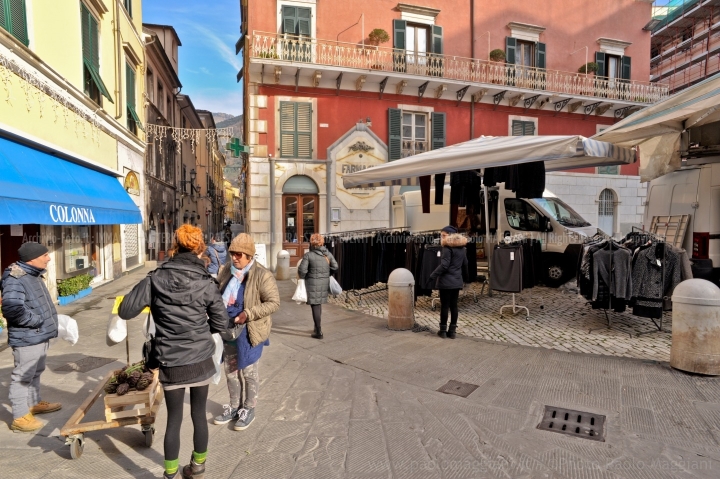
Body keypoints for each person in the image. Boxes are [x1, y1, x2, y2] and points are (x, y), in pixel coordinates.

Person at [119, 225, 230, 479]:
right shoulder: (205, 282)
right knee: (199, 414)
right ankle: (197, 467)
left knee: (174, 419)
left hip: (170, 360)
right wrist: (201, 328)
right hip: (201, 357)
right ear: (200, 249)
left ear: (174, 246)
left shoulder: (155, 278)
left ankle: (170, 474)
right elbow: (221, 324)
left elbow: (126, 310)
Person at [213, 233, 279, 431]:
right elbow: (216, 293)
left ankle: (248, 408)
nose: (235, 257)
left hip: (250, 331)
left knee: (249, 372)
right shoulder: (226, 271)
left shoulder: (262, 275)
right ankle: (234, 407)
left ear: (250, 256)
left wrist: (247, 313)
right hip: (229, 330)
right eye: (233, 253)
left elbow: (273, 303)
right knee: (231, 372)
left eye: (239, 255)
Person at [0, 242, 61, 432]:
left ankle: (33, 403)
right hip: (28, 336)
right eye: (45, 255)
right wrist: (36, 321)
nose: (49, 258)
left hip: (38, 334)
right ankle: (19, 417)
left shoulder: (32, 274)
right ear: (32, 258)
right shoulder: (15, 278)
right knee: (23, 376)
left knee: (36, 370)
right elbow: (12, 308)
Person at [429, 226, 469, 339]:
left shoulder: (447, 248)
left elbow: (444, 265)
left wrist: (432, 275)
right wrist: (466, 279)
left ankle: (442, 331)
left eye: (443, 235)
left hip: (446, 281)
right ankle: (452, 332)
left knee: (445, 306)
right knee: (454, 306)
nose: (441, 237)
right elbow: (465, 264)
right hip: (456, 281)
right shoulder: (462, 248)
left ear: (450, 235)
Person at [297, 233, 338, 339]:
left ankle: (318, 331)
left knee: (315, 305)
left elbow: (302, 270)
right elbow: (335, 266)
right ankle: (316, 327)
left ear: (312, 243)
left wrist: (303, 277)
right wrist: (327, 274)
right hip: (324, 283)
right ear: (322, 242)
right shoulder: (327, 254)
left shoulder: (308, 255)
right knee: (318, 304)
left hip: (312, 282)